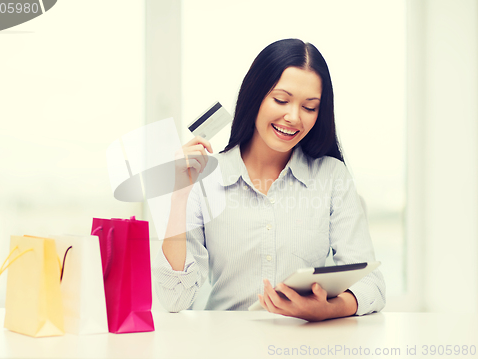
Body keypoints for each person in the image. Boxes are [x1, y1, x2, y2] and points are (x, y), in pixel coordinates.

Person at [152, 38, 386, 321]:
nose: (293, 117)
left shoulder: (333, 176)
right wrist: (179, 194)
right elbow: (175, 299)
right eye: (281, 100)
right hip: (224, 344)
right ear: (255, 96)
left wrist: (327, 309)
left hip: (304, 344)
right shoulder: (205, 179)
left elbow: (372, 285)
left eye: (309, 107)